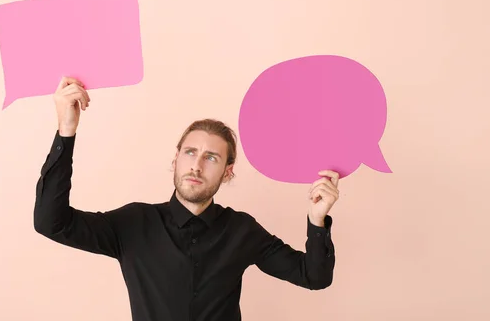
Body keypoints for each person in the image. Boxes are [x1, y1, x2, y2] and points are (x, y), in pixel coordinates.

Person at [34, 77, 340, 321]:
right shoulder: (132, 224)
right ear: (176, 159)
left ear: (227, 172)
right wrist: (66, 130)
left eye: (211, 157)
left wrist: (317, 220)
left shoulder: (242, 231)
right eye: (190, 153)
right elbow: (51, 223)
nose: (196, 165)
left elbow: (313, 276)